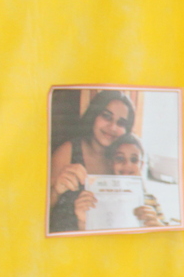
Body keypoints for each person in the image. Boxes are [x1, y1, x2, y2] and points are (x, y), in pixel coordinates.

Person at [49, 90, 136, 233]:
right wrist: (55, 192)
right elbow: (37, 212)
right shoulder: (67, 151)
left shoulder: (125, 162)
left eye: (121, 123)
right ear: (94, 115)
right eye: (106, 116)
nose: (112, 127)